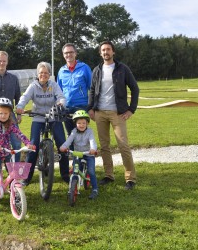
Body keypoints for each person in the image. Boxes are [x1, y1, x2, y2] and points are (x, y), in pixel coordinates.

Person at [88, 40, 139, 190]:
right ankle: (108, 175)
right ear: (100, 53)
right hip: (100, 113)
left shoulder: (122, 69)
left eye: (108, 49)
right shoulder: (97, 70)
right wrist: (90, 108)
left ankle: (130, 178)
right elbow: (91, 90)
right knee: (104, 146)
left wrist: (131, 110)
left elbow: (135, 89)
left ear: (113, 52)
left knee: (123, 145)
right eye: (103, 50)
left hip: (118, 113)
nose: (106, 52)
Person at [16, 62, 70, 185]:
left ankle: (65, 174)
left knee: (62, 144)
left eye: (46, 73)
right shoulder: (33, 86)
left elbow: (61, 97)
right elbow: (25, 97)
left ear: (49, 74)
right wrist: (20, 107)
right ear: (37, 74)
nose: (43, 75)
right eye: (41, 72)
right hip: (38, 117)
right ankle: (26, 178)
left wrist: (61, 103)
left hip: (53, 117)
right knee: (33, 145)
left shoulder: (54, 85)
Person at [0, 97, 35, 214]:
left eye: (6, 113)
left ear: (10, 114)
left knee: (13, 173)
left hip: (6, 151)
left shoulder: (10, 124)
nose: (3, 115)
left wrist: (28, 143)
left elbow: (19, 134)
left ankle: (15, 192)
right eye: (1, 113)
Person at [0, 51, 22, 162]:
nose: (2, 63)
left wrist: (19, 114)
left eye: (4, 61)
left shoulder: (13, 78)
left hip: (10, 115)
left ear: (7, 62)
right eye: (0, 61)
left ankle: (14, 169)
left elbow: (18, 97)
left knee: (16, 142)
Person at [59, 110, 99, 199]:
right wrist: (63, 146)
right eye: (79, 123)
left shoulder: (90, 132)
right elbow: (69, 140)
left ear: (87, 123)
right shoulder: (74, 132)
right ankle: (72, 189)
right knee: (75, 171)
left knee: (91, 171)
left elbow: (92, 141)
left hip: (88, 154)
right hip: (77, 154)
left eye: (84, 123)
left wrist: (93, 149)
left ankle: (95, 189)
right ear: (75, 124)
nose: (81, 125)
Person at [57, 43, 92, 136]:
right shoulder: (61, 71)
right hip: (66, 108)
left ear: (75, 53)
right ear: (63, 55)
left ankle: (85, 151)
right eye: (66, 53)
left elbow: (92, 88)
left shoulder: (84, 68)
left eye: (71, 52)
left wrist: (92, 106)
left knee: (82, 134)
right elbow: (58, 90)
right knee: (70, 135)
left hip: (81, 106)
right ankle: (71, 151)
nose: (69, 55)